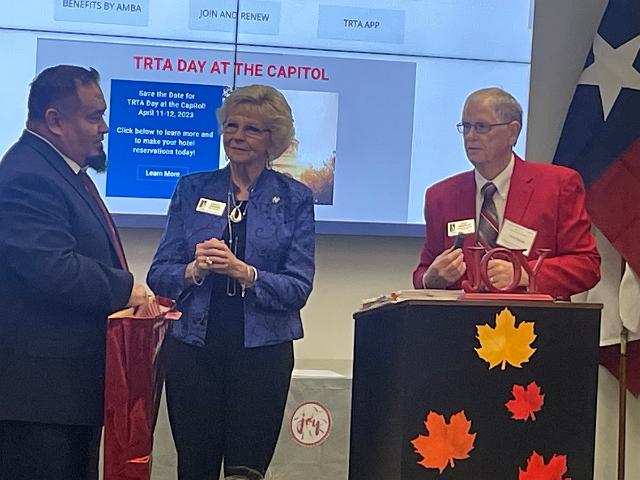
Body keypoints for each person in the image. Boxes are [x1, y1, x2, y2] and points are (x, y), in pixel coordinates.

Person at [147, 84, 315, 479]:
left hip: (262, 355)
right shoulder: (192, 188)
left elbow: (298, 288)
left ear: (273, 139)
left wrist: (246, 273)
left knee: (246, 470)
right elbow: (159, 274)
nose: (237, 136)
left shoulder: (295, 198)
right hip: (193, 351)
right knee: (195, 468)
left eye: (251, 129)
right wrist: (194, 270)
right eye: (231, 126)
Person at [0, 65, 150, 479]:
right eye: (93, 117)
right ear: (54, 121)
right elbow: (52, 268)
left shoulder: (57, 170)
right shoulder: (28, 176)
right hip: (37, 402)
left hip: (63, 396)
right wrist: (127, 290)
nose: (104, 128)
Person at [413, 87, 600, 299]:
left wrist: (524, 274)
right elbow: (424, 271)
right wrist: (430, 279)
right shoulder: (441, 196)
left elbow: (587, 265)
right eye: (466, 127)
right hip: (461, 316)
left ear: (512, 132)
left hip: (532, 316)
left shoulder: (558, 185)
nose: (470, 136)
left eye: (481, 127)